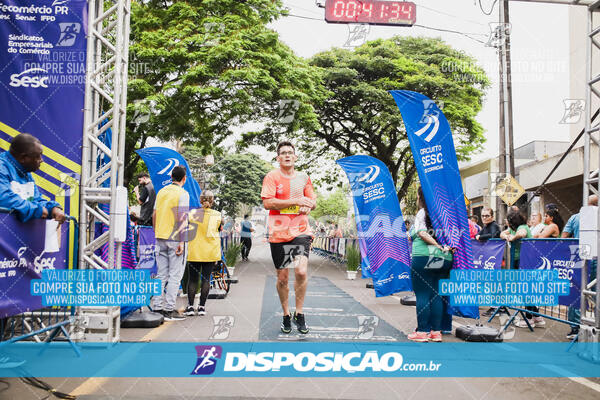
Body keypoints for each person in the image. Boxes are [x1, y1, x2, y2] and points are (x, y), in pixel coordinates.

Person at [261, 141, 316, 334]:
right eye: (282, 153)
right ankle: (286, 314)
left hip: (301, 230)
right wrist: (296, 201)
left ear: (295, 157)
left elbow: (312, 201)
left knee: (301, 271)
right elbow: (268, 203)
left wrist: (308, 205)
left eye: (290, 153)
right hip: (279, 232)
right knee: (283, 277)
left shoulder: (304, 177)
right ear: (278, 158)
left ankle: (299, 313)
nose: (286, 155)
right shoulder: (272, 176)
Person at [407, 186, 451, 343]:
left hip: (423, 257)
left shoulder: (422, 212)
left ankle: (423, 331)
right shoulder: (445, 214)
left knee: (423, 294)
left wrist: (436, 245)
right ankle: (435, 332)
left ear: (420, 197)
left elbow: (422, 233)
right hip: (443, 258)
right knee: (436, 294)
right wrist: (442, 247)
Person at [0, 133, 66, 223]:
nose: (41, 160)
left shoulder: (25, 172)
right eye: (38, 156)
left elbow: (36, 199)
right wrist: (36, 210)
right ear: (23, 157)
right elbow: (3, 198)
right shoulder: (1, 167)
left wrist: (53, 208)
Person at [152, 165, 189, 321]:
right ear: (184, 178)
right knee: (175, 275)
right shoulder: (183, 193)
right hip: (175, 238)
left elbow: (154, 214)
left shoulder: (161, 192)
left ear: (172, 177)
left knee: (161, 275)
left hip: (160, 236)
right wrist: (182, 241)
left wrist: (156, 232)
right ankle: (168, 310)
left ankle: (157, 308)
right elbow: (182, 218)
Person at [500, 210, 545, 328]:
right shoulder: (512, 229)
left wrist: (512, 238)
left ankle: (529, 319)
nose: (506, 222)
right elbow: (502, 233)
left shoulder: (522, 226)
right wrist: (506, 235)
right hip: (518, 261)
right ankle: (537, 317)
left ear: (512, 221)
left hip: (526, 261)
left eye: (508, 220)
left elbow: (522, 233)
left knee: (526, 289)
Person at [562, 195, 598, 339]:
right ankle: (594, 325)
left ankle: (575, 328)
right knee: (595, 292)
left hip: (579, 256)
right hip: (596, 257)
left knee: (577, 291)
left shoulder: (575, 217)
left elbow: (564, 238)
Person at [185, 190, 223, 316]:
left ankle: (190, 307)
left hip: (194, 250)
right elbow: (218, 229)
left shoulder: (192, 213)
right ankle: (201, 307)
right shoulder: (217, 215)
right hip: (210, 252)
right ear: (212, 201)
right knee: (206, 279)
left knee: (192, 280)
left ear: (200, 200)